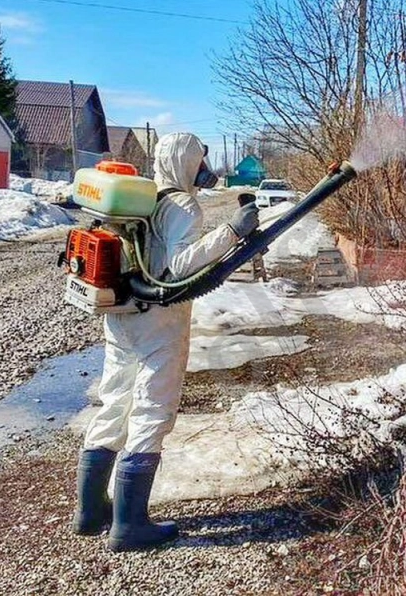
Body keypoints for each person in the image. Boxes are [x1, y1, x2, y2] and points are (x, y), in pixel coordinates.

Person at [71, 132, 259, 552]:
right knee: (151, 410)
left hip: (120, 316)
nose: (203, 170)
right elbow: (178, 267)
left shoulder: (141, 197)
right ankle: (130, 525)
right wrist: (233, 230)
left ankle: (89, 512)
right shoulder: (183, 204)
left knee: (114, 403)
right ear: (187, 163)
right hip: (158, 320)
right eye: (199, 161)